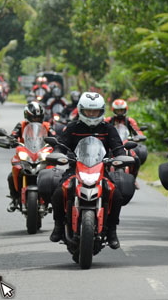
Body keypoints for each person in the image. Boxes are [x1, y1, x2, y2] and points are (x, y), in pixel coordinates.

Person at [49, 92, 126, 250]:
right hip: (76, 169)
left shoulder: (108, 128)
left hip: (100, 171)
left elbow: (118, 148)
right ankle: (58, 225)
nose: (92, 115)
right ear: (81, 110)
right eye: (88, 111)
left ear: (102, 111)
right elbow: (61, 145)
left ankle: (112, 231)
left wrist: (121, 158)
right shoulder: (72, 128)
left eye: (95, 111)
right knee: (58, 192)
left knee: (116, 195)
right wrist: (56, 154)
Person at [7, 101, 55, 212]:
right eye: (33, 118)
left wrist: (55, 141)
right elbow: (13, 135)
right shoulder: (21, 125)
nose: (36, 120)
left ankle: (53, 199)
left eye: (38, 118)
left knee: (54, 176)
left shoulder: (47, 126)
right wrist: (11, 140)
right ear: (27, 116)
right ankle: (14, 199)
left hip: (41, 153)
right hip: (26, 154)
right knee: (11, 176)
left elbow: (55, 136)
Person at [105, 98, 147, 182]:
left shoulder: (129, 121)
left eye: (122, 110)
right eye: (118, 110)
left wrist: (139, 136)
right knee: (103, 159)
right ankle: (103, 178)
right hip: (111, 145)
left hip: (126, 145)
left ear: (125, 110)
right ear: (113, 110)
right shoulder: (108, 120)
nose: (120, 112)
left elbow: (137, 131)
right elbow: (101, 129)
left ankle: (133, 179)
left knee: (136, 159)